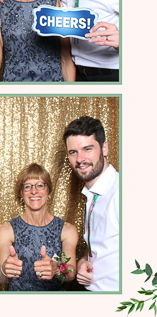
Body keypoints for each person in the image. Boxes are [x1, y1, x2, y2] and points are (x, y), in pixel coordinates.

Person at [0, 164, 78, 291]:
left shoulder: (68, 230)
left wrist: (56, 269)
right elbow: (1, 279)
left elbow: (71, 274)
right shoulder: (6, 230)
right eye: (27, 186)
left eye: (40, 185)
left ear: (48, 191)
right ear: (21, 194)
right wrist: (5, 268)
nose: (34, 191)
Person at [63, 116, 119, 291]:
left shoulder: (120, 192)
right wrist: (82, 262)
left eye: (87, 149)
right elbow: (98, 246)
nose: (80, 159)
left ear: (104, 148)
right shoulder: (93, 194)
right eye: (73, 152)